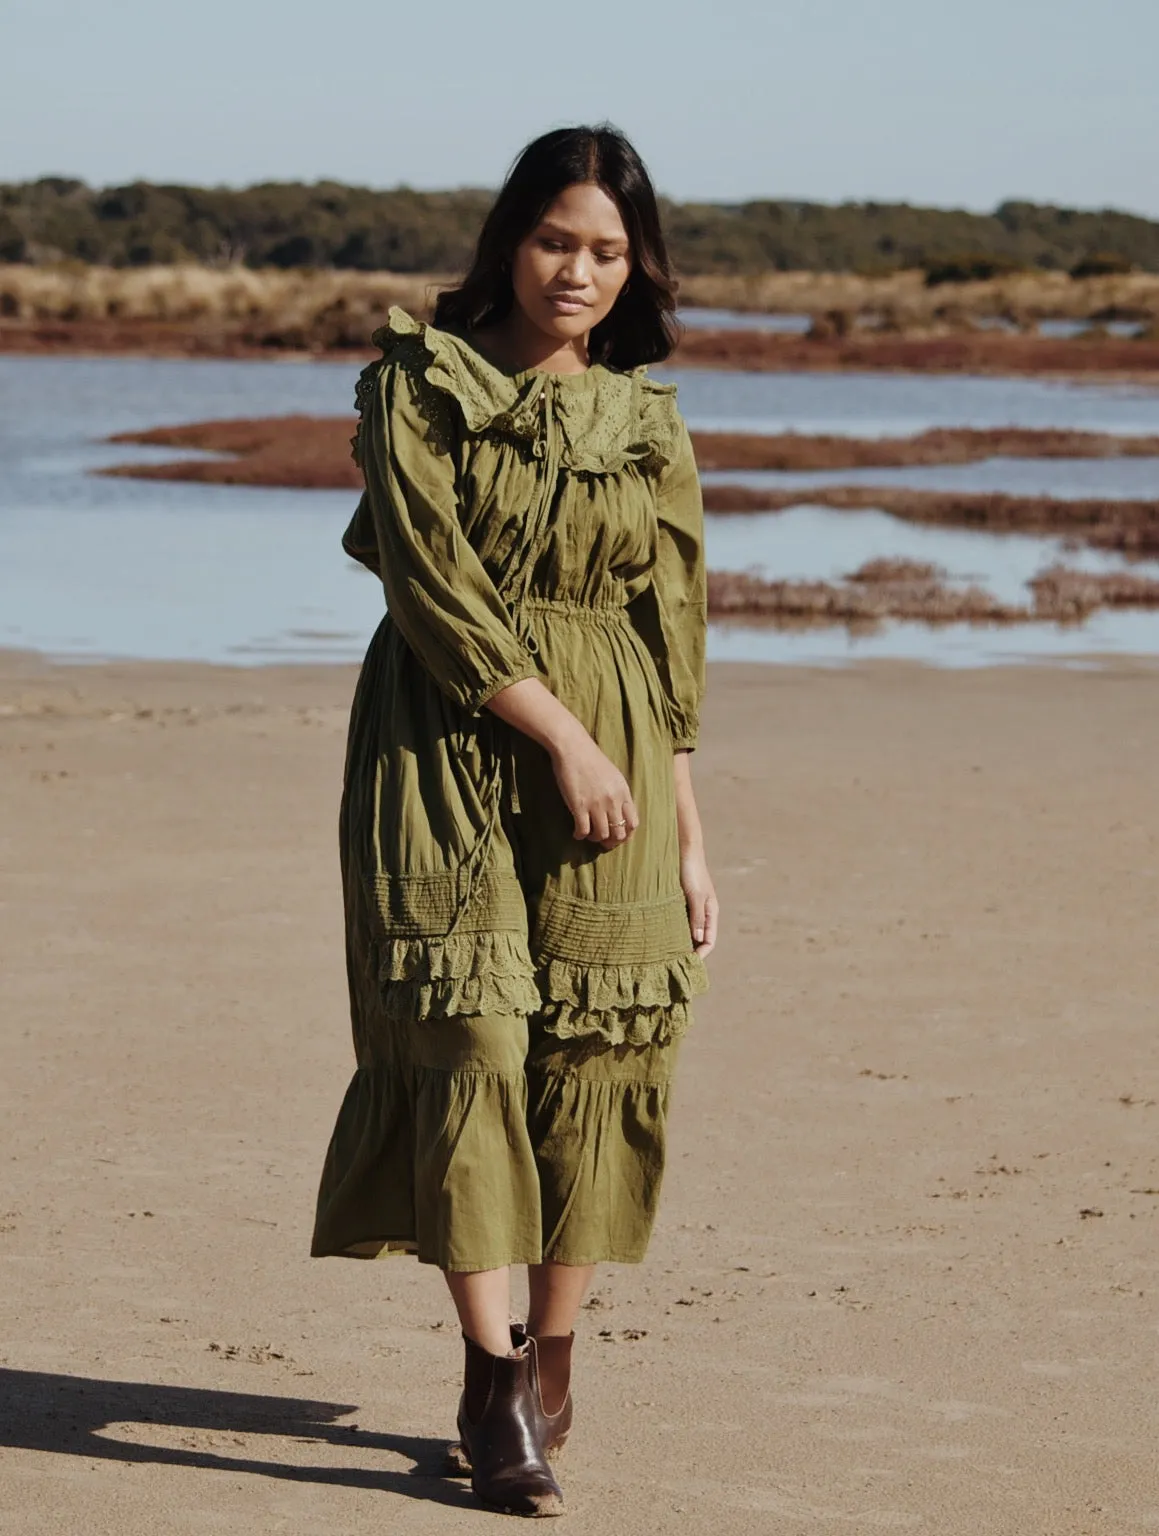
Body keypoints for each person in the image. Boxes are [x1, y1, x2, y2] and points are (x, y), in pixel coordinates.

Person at [311, 122, 718, 1517]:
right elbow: (428, 588)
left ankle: (554, 1354)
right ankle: (492, 1386)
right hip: (448, 738)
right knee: (468, 1034)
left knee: (595, 1050)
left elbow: (671, 633)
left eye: (608, 251)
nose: (580, 273)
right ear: (509, 240)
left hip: (613, 754)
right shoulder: (411, 385)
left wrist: (684, 822)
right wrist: (557, 739)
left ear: (634, 266)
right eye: (557, 241)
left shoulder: (648, 420)